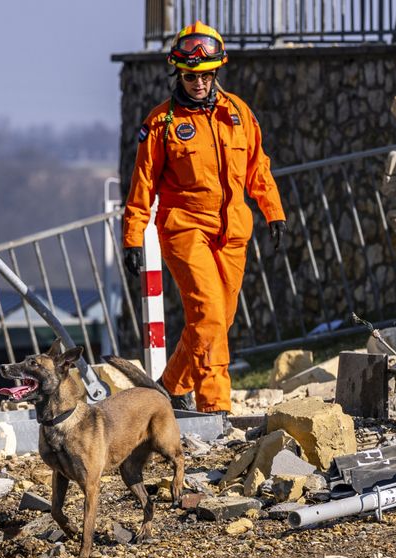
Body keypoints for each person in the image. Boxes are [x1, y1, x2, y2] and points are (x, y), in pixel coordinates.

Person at [122, 21, 286, 417]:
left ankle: (170, 386)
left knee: (218, 320)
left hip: (232, 231)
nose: (198, 82)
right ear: (178, 73)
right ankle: (214, 408)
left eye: (206, 74)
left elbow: (257, 167)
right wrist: (132, 235)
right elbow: (142, 182)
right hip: (184, 228)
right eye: (190, 75)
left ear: (216, 72)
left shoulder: (238, 113)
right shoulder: (160, 124)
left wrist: (273, 210)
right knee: (208, 314)